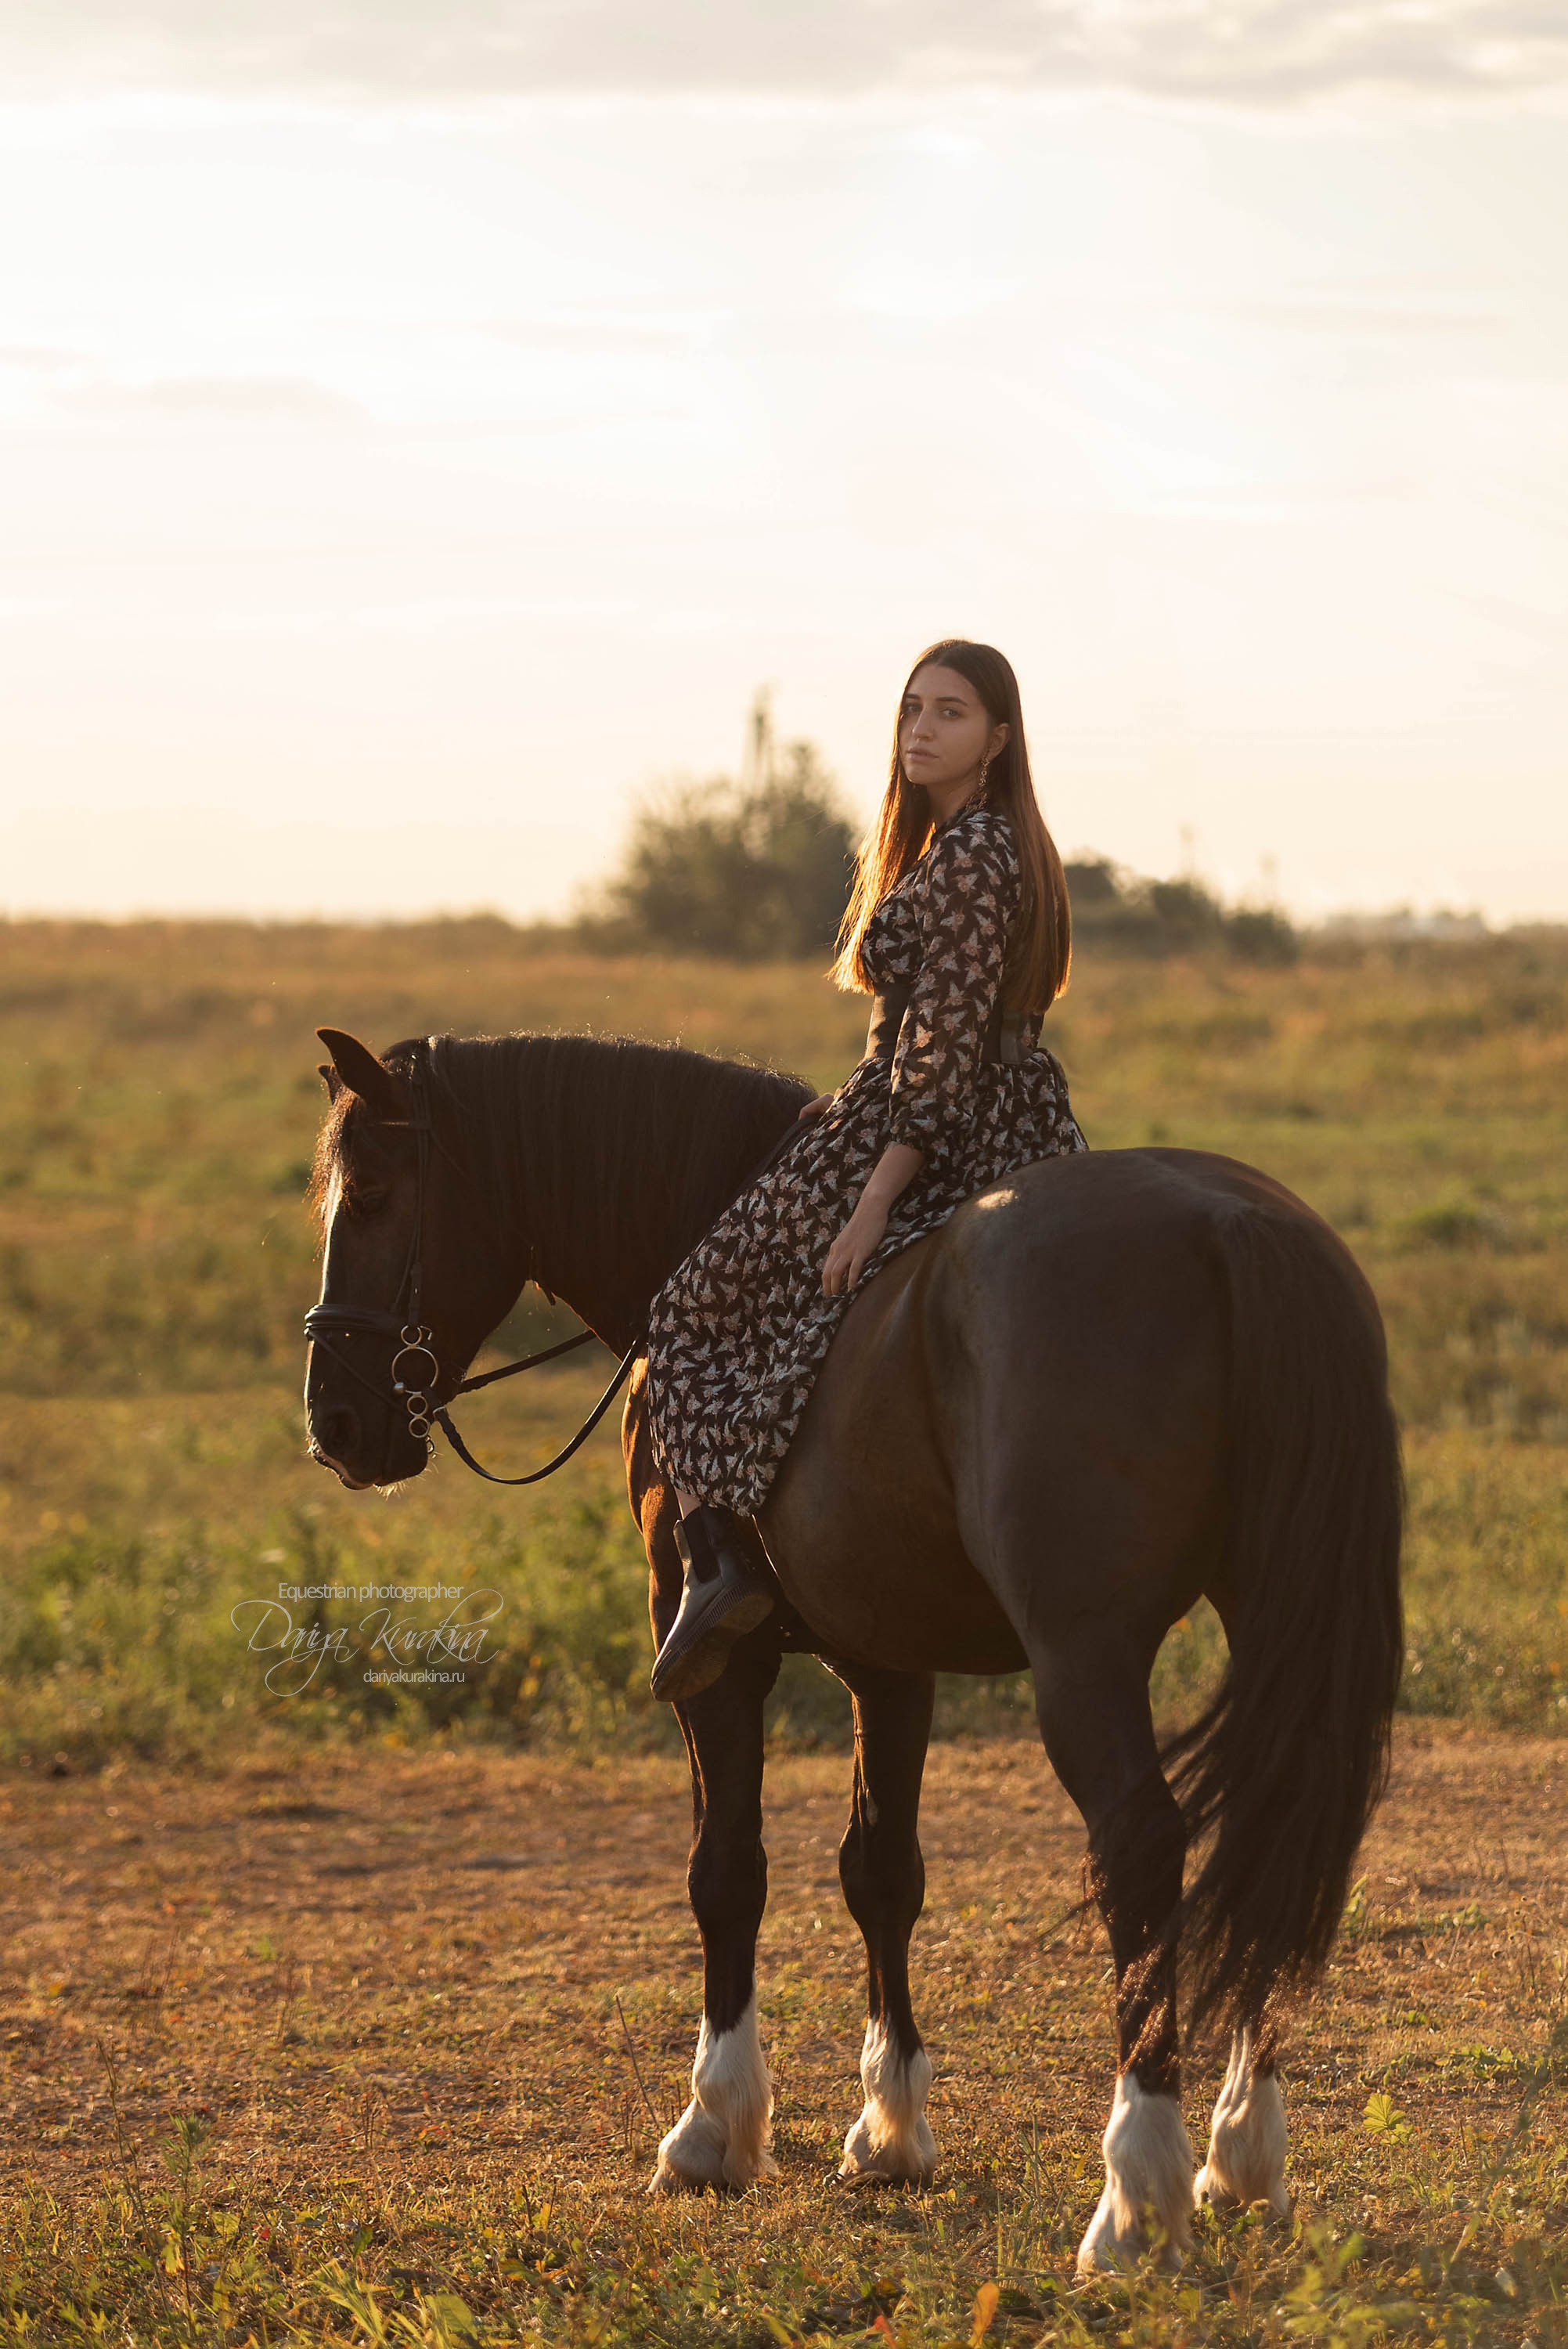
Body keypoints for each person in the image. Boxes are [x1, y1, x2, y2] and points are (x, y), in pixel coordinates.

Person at [644, 639, 1089, 1701]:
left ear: (999, 737)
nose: (923, 729)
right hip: (968, 1111)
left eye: (951, 713)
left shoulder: (976, 856)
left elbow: (936, 1056)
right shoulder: (962, 846)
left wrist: (871, 1203)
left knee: (685, 1312)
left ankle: (721, 1561)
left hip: (928, 1125)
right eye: (912, 710)